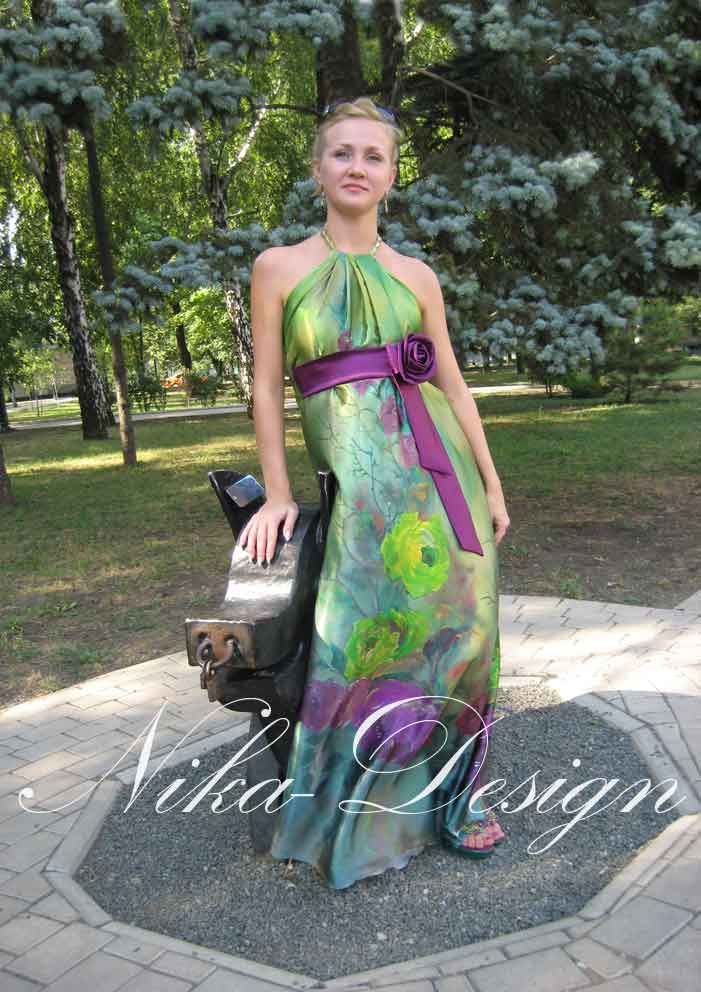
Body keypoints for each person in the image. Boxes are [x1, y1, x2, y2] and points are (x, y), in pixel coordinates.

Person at [240, 96, 511, 890]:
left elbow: (453, 388)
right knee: (357, 638)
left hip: (441, 482)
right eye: (342, 153)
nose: (357, 167)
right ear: (317, 169)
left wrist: (491, 484)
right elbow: (265, 388)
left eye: (373, 156)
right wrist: (277, 492)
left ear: (392, 175)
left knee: (461, 632)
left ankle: (449, 796)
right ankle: (354, 810)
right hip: (364, 494)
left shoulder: (415, 275)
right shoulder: (279, 267)